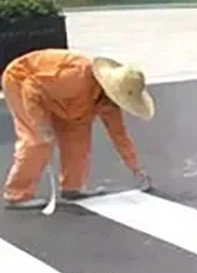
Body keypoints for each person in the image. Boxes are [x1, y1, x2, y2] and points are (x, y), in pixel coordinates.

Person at [2, 49, 154, 209]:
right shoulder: (77, 77)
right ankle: (17, 194)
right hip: (21, 81)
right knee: (37, 141)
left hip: (63, 99)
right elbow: (31, 87)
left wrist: (136, 168)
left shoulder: (108, 103)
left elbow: (119, 135)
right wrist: (40, 123)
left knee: (78, 136)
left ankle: (72, 188)